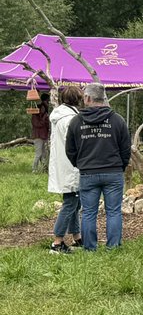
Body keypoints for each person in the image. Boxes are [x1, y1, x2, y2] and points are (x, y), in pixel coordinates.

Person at [65, 83, 131, 251]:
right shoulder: (117, 119)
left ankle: (89, 247)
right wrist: (120, 165)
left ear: (87, 98)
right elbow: (125, 148)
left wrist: (80, 164)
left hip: (88, 172)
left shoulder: (76, 121)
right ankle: (113, 246)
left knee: (88, 212)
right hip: (113, 171)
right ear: (103, 98)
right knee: (114, 212)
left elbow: (70, 150)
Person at [47, 84, 84, 254]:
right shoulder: (71, 119)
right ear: (78, 99)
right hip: (71, 166)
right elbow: (77, 143)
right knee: (70, 203)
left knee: (75, 203)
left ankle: (76, 236)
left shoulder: (59, 115)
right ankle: (57, 242)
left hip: (63, 165)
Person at [30, 92, 50, 173]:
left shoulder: (45, 116)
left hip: (44, 136)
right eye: (42, 108)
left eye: (44, 108)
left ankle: (44, 168)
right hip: (38, 136)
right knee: (38, 153)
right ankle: (34, 169)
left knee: (44, 153)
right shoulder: (35, 116)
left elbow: (47, 125)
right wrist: (44, 118)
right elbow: (37, 124)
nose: (43, 110)